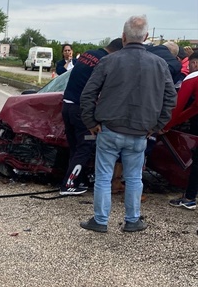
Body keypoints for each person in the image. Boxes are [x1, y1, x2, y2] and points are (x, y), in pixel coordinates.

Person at [79, 15, 177, 233]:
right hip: (141, 132)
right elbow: (171, 98)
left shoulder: (109, 61)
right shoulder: (160, 64)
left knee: (104, 177)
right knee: (134, 178)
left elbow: (88, 94)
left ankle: (100, 220)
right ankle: (132, 220)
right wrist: (158, 125)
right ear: (146, 37)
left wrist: (91, 121)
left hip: (109, 129)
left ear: (123, 37)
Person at [59, 38, 123, 195]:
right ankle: (69, 185)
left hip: (67, 105)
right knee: (85, 147)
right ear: (117, 51)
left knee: (75, 147)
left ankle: (73, 180)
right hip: (80, 109)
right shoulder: (104, 61)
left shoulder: (88, 54)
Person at [165, 51, 198, 210]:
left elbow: (178, 106)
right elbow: (194, 107)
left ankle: (190, 198)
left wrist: (166, 125)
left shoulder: (193, 77)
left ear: (195, 63)